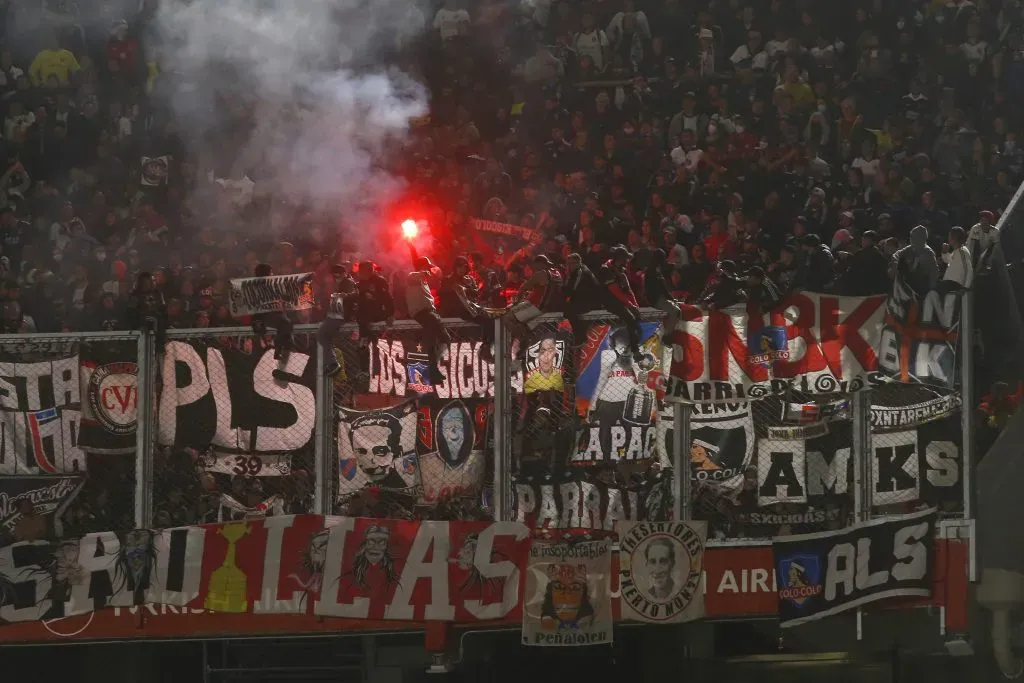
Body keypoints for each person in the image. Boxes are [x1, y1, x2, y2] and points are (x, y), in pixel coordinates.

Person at [405, 255, 449, 383]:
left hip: (429, 313)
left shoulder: (423, 280)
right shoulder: (413, 277)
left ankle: (433, 368)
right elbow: (412, 276)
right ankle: (431, 368)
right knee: (440, 338)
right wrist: (423, 272)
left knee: (438, 339)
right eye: (427, 267)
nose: (429, 270)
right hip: (422, 313)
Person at [597, 245, 644, 362]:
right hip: (608, 301)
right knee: (630, 318)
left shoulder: (621, 270)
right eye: (625, 258)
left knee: (636, 317)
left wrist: (635, 305)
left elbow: (628, 290)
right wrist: (629, 304)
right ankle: (635, 351)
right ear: (619, 258)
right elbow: (614, 291)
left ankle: (630, 345)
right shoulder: (606, 269)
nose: (627, 261)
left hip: (621, 300)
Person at [248, 263, 294, 360]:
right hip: (262, 320)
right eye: (271, 273)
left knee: (285, 322)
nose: (273, 275)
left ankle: (278, 350)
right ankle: (274, 349)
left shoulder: (276, 287)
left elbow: (286, 300)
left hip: (272, 319)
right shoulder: (252, 288)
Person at [643, 248, 680, 344]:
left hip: (657, 298)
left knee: (677, 308)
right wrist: (670, 298)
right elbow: (661, 289)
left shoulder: (654, 270)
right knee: (676, 311)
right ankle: (667, 336)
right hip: (656, 299)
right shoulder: (653, 271)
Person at [892, 224, 940, 296]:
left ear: (922, 239)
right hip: (911, 285)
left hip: (923, 287)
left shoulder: (928, 253)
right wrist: (895, 263)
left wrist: (931, 291)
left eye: (914, 238)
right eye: (911, 237)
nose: (911, 240)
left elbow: (934, 273)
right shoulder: (911, 248)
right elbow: (896, 254)